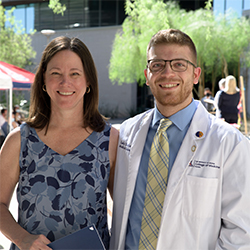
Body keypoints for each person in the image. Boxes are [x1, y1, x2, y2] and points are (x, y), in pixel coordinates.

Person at [110, 29, 250, 249]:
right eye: (157, 65)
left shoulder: (230, 144)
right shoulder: (127, 132)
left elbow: (242, 233)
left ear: (195, 75)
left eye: (179, 64)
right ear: (147, 75)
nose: (167, 73)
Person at [0, 36, 119, 250]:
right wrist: (21, 238)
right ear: (43, 80)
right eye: (56, 73)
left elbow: (125, 208)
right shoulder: (19, 140)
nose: (66, 82)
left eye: (75, 74)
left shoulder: (110, 140)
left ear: (88, 82)